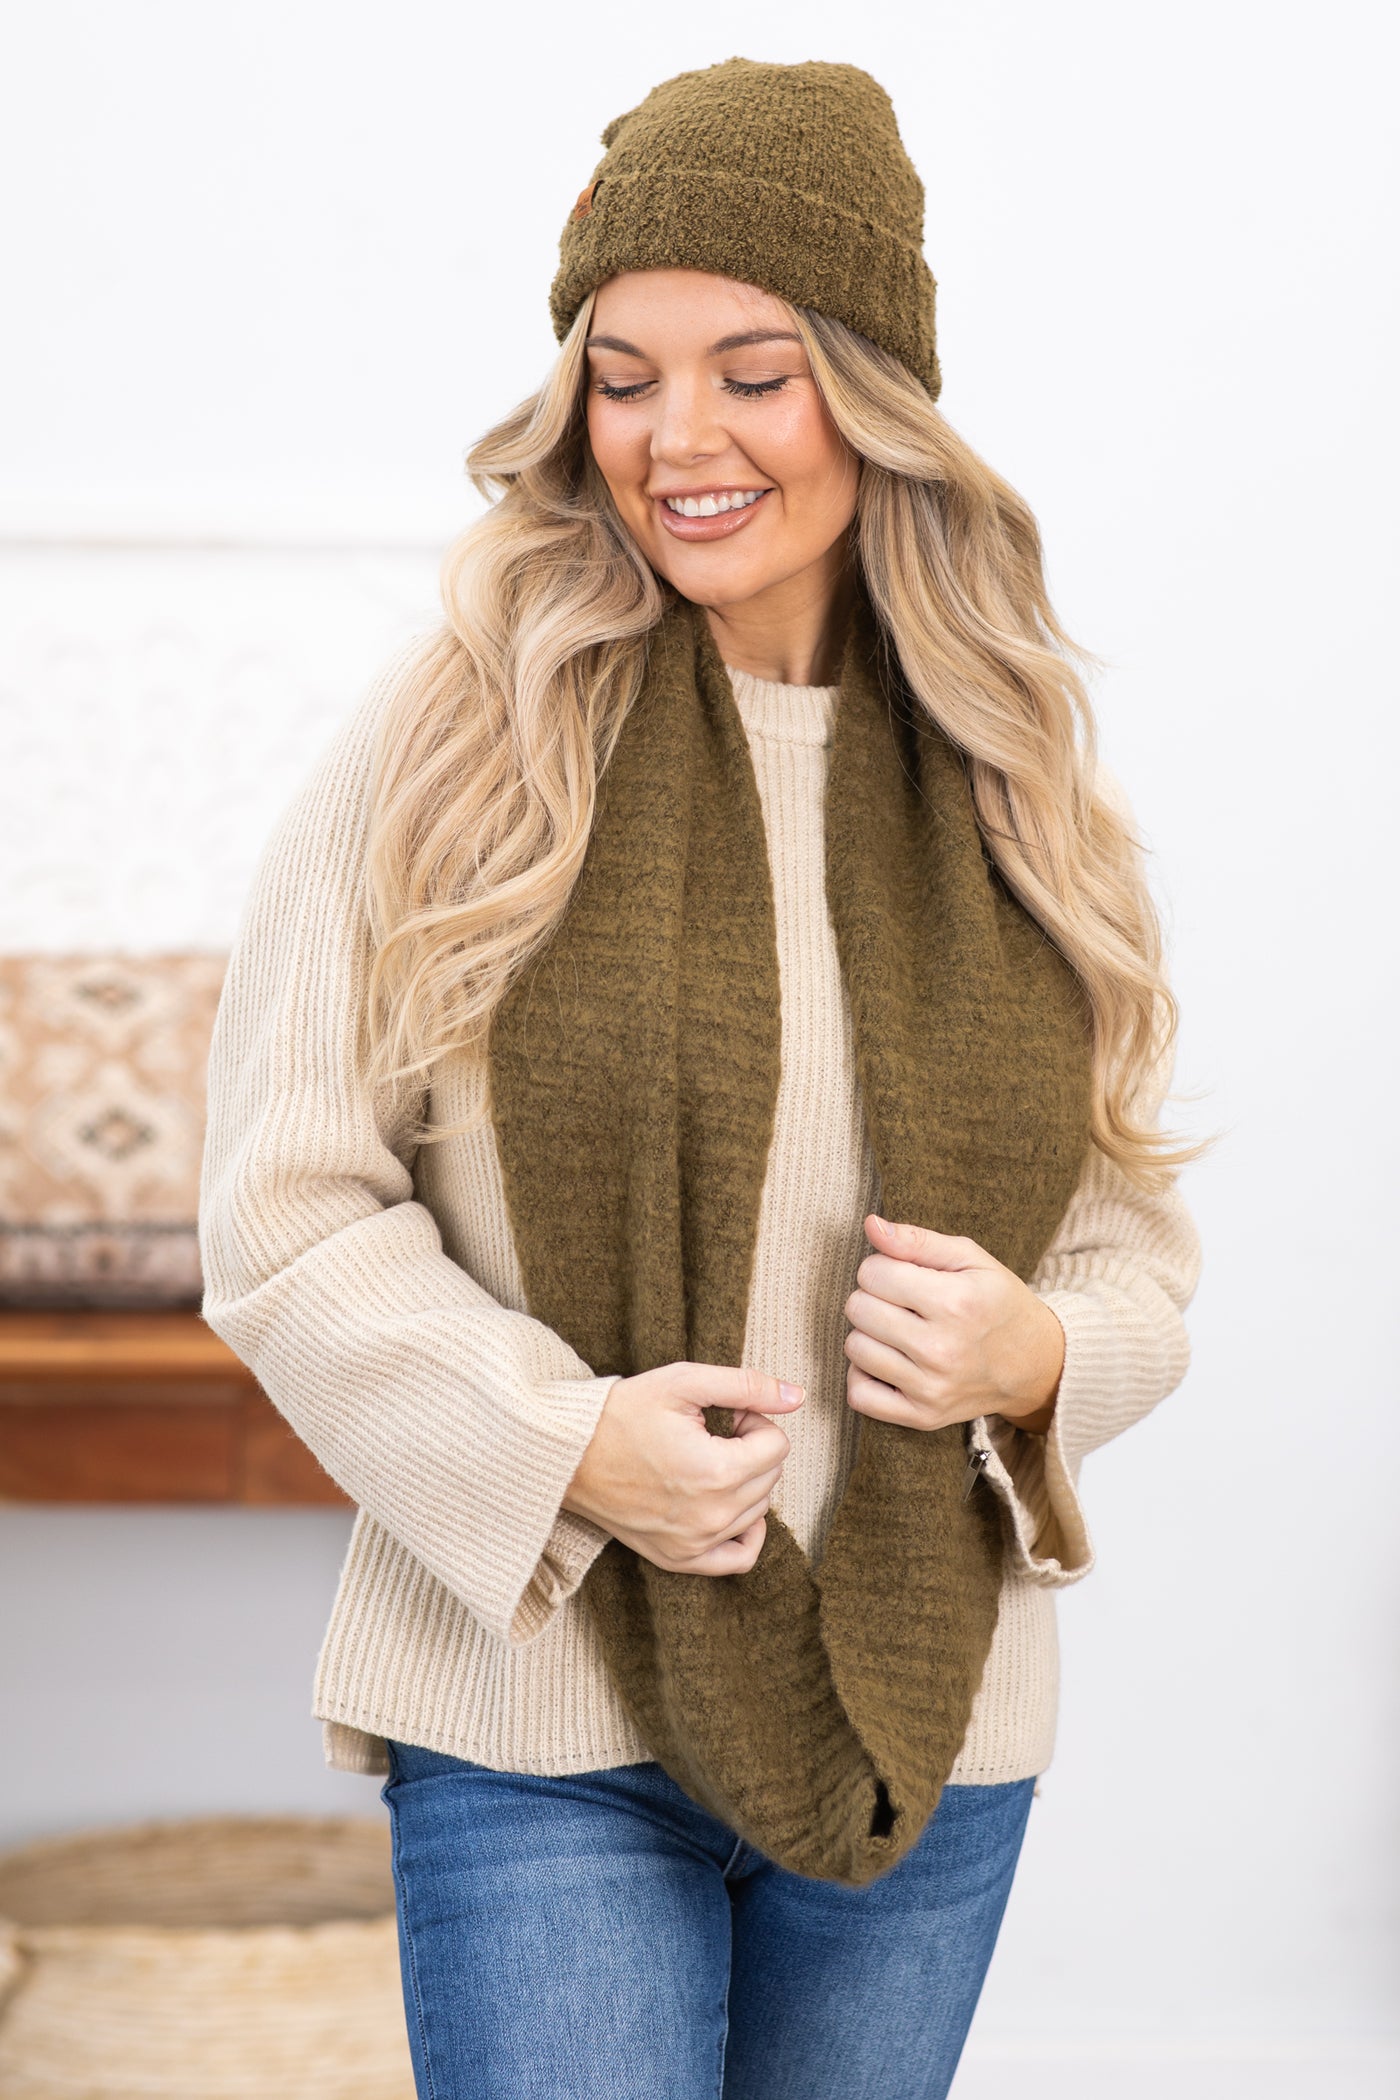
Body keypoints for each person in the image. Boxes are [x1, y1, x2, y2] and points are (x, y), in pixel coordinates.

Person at [199, 56, 1202, 2100]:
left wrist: (1035, 1353)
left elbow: (1128, 1246)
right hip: (538, 1705)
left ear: (876, 394)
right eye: (623, 374)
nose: (679, 440)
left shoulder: (1012, 771)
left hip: (921, 1718)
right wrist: (563, 1442)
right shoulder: (464, 734)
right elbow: (286, 1206)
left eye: (755, 373)